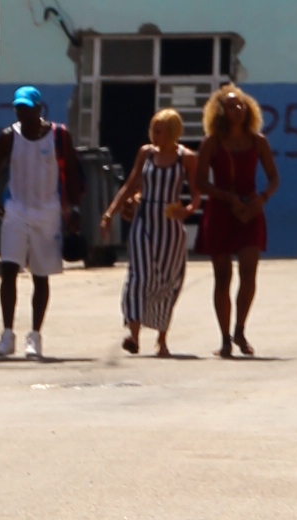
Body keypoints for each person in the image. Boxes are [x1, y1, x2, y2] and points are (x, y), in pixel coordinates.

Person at [186, 83, 279, 357]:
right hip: (221, 212)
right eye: (230, 105)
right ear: (220, 111)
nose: (237, 109)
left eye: (240, 104)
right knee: (222, 277)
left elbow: (274, 178)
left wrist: (262, 198)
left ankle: (240, 330)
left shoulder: (258, 141)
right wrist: (227, 197)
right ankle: (225, 338)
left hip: (251, 211)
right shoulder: (211, 143)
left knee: (249, 274)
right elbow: (200, 182)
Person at [0, 86, 77, 361]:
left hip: (47, 213)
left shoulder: (58, 136)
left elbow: (73, 173)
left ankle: (35, 336)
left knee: (40, 275)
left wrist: (74, 209)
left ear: (39, 109)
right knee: (8, 270)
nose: (22, 113)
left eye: (27, 108)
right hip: (16, 209)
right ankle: (7, 334)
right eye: (18, 108)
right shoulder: (8, 137)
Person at [101, 104, 191, 355]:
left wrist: (188, 209)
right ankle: (134, 334)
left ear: (172, 132)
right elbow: (131, 184)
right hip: (144, 221)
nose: (154, 136)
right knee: (138, 276)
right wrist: (109, 214)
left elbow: (196, 193)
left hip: (170, 226)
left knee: (168, 280)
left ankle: (162, 338)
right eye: (153, 130)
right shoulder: (146, 153)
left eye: (159, 131)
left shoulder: (186, 157)